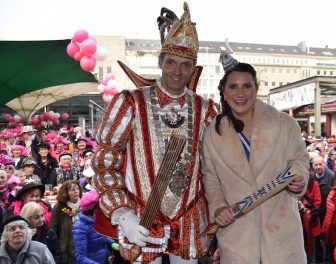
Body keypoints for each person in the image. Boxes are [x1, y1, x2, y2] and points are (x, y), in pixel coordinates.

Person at [92, 3, 217, 263]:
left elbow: (222, 164)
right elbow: (105, 162)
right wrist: (122, 212)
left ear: (193, 68)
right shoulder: (129, 102)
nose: (177, 71)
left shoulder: (206, 110)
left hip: (190, 218)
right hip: (141, 215)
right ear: (160, 61)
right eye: (171, 62)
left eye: (186, 65)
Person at [202, 53, 309, 263]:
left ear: (256, 89)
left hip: (282, 236)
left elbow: (300, 161)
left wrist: (300, 181)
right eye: (233, 87)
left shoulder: (285, 124)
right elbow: (211, 179)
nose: (240, 93)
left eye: (247, 86)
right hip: (237, 238)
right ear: (223, 92)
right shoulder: (213, 134)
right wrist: (219, 208)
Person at [73, 190, 115, 264]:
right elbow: (80, 258)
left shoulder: (97, 220)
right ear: (94, 209)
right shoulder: (79, 228)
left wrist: (111, 242)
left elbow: (101, 235)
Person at [50, 180, 82, 264]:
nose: (76, 192)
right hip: (66, 251)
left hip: (82, 247)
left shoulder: (85, 206)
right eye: (72, 190)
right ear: (66, 192)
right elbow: (53, 230)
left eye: (77, 189)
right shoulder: (59, 208)